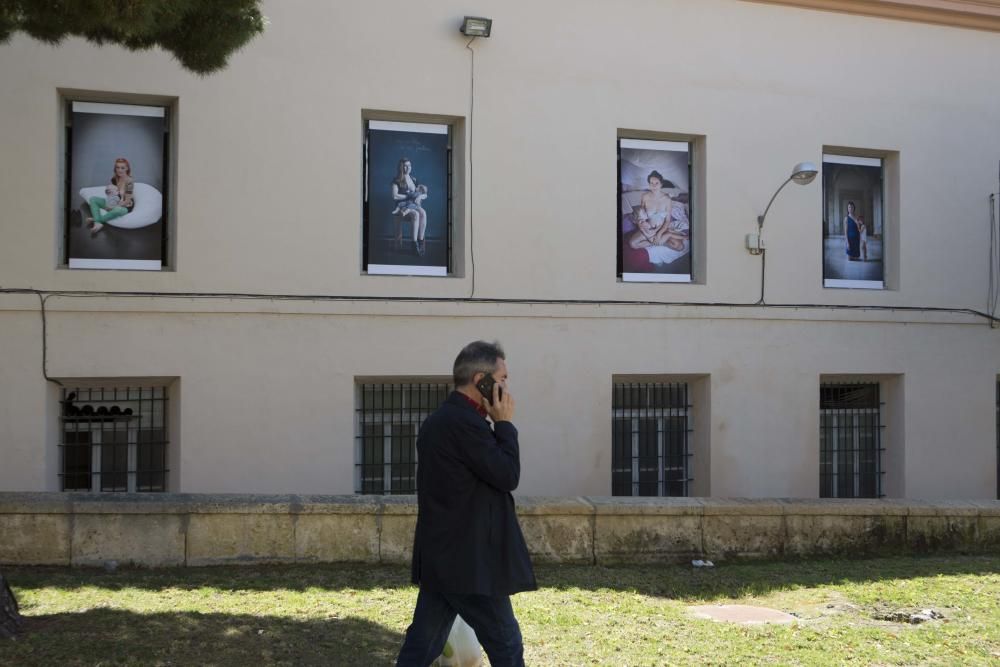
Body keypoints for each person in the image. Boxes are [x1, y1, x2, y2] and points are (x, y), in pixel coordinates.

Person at [396, 341, 536, 667]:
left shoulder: (448, 421)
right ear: (480, 380)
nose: (506, 387)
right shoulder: (463, 424)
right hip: (468, 562)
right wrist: (504, 424)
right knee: (507, 645)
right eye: (502, 379)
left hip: (446, 559)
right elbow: (507, 474)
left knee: (422, 645)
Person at [391, 158, 429, 256]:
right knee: (416, 214)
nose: (408, 167)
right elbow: (394, 196)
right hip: (402, 207)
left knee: (423, 213)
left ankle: (420, 242)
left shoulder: (414, 179)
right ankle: (414, 244)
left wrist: (420, 196)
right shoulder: (397, 180)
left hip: (413, 205)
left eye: (410, 165)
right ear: (401, 167)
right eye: (405, 165)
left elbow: (422, 193)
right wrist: (408, 196)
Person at [86, 157, 134, 234]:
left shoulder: (129, 182)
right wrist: (108, 194)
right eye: (117, 167)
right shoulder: (115, 178)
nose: (119, 170)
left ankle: (97, 220)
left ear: (127, 169)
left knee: (117, 210)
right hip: (113, 201)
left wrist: (112, 207)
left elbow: (127, 201)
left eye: (122, 168)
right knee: (93, 199)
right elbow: (112, 194)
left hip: (124, 206)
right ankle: (98, 221)